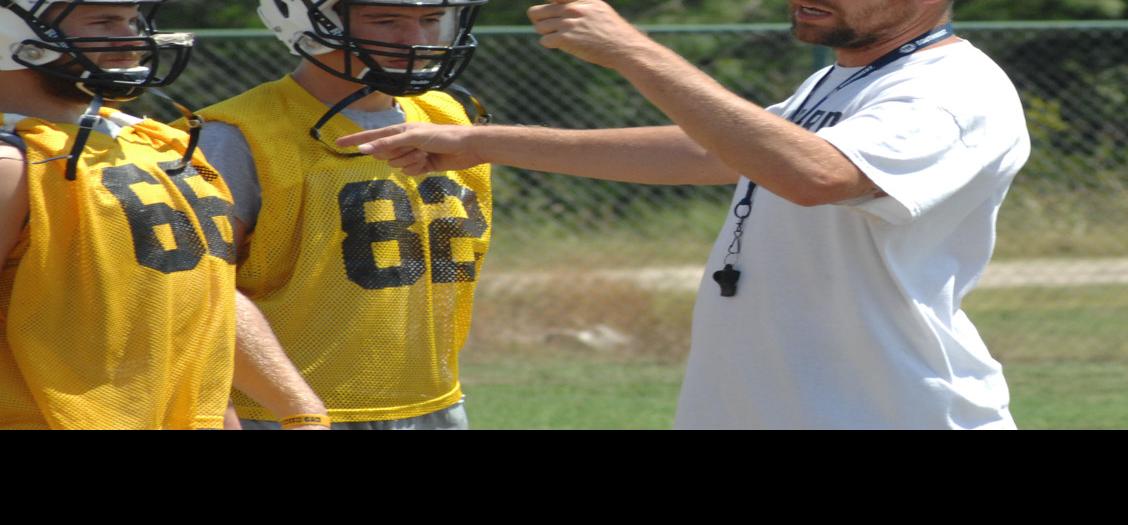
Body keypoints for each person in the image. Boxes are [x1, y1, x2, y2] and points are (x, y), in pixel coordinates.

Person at [338, 0, 1031, 429]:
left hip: (888, 412)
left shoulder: (950, 88)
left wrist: (633, 51)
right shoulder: (846, 76)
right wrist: (481, 143)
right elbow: (715, 150)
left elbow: (816, 174)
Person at [0, 0, 327, 429]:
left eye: (132, 21)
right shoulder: (14, 160)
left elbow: (204, 287)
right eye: (104, 21)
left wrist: (296, 408)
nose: (133, 38)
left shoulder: (154, 141)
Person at [191, 0, 492, 430]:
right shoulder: (239, 134)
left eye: (431, 20)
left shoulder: (450, 118)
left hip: (434, 403)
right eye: (386, 20)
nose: (416, 40)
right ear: (309, 20)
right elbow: (196, 292)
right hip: (281, 413)